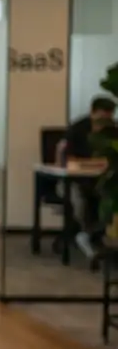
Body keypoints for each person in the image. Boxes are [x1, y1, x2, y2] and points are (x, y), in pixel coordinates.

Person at [60, 96, 116, 259]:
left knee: (110, 200)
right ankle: (86, 234)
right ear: (93, 112)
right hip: (74, 180)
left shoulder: (112, 131)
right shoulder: (77, 129)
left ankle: (96, 236)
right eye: (102, 115)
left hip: (101, 181)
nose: (106, 120)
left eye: (109, 116)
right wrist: (92, 165)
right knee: (80, 201)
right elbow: (68, 161)